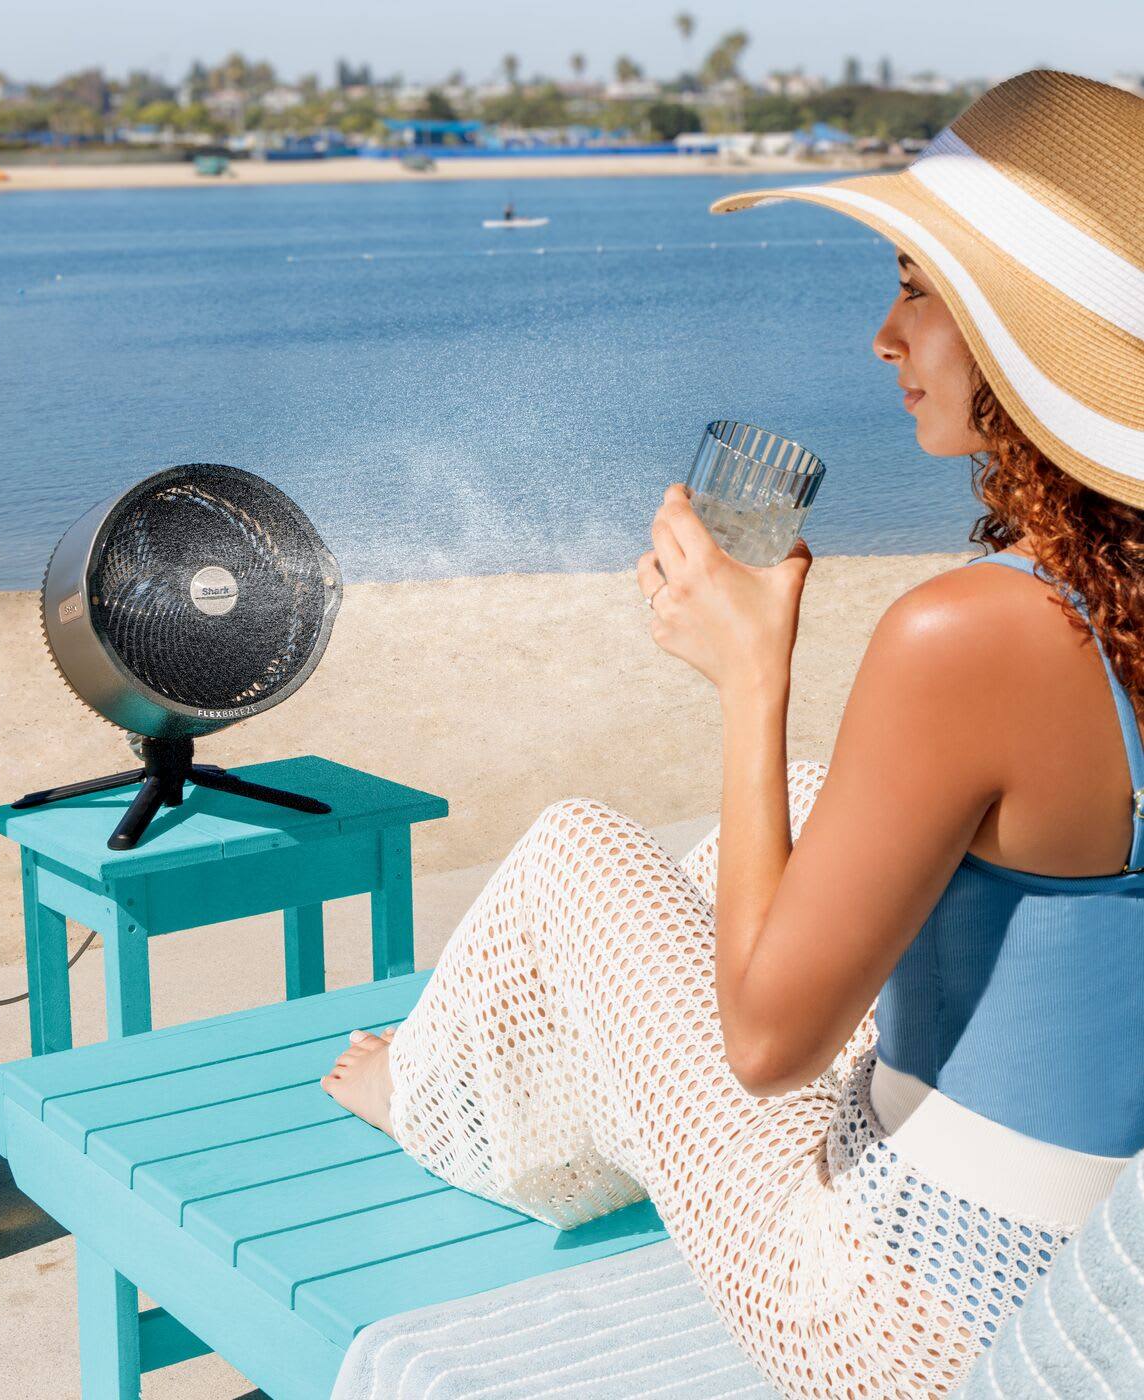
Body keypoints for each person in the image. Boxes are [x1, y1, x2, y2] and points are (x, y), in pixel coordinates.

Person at [321, 69, 1144, 1399]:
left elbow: (769, 1049)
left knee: (582, 853)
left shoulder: (973, 635)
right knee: (815, 807)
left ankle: (433, 1096)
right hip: (1101, 1250)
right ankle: (502, 1082)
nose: (885, 336)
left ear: (1020, 329)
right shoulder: (1114, 607)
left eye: (918, 288)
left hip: (909, 1312)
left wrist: (750, 675)